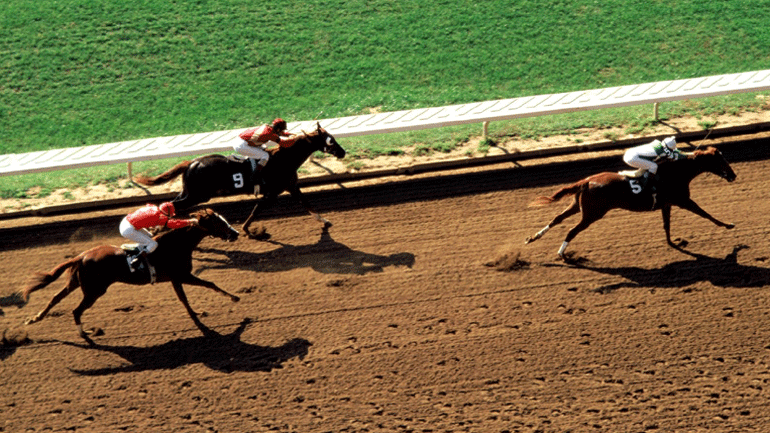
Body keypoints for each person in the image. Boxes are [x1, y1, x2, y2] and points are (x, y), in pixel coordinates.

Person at [119, 202, 197, 271]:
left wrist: (153, 224)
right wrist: (189, 221)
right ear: (166, 213)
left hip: (126, 222)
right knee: (153, 244)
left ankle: (142, 251)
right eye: (169, 216)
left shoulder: (153, 207)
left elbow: (146, 216)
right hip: (128, 230)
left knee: (151, 237)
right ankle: (137, 260)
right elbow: (174, 224)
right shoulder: (159, 216)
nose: (169, 217)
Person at [232, 118, 298, 171]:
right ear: (278, 129)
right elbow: (284, 144)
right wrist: (296, 139)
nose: (283, 131)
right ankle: (256, 174)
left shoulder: (268, 128)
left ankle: (255, 164)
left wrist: (292, 134)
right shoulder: (270, 134)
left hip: (240, 141)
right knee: (265, 156)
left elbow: (280, 133)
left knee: (264, 148)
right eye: (282, 130)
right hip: (242, 146)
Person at [623, 136, 688, 185]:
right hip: (631, 159)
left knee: (650, 163)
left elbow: (673, 151)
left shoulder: (657, 143)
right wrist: (687, 155)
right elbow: (676, 156)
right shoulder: (663, 152)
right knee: (654, 166)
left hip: (629, 153)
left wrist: (688, 153)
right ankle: (647, 184)